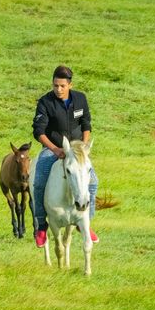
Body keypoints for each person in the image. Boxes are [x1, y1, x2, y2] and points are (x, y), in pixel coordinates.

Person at [32, 65, 99, 248]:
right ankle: (41, 225)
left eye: (62, 86)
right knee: (38, 182)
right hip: (54, 148)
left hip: (77, 150)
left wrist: (84, 147)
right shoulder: (45, 102)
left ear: (70, 84)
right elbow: (38, 131)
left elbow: (86, 124)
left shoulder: (80, 99)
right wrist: (54, 149)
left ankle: (86, 223)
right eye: (55, 85)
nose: (58, 89)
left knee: (93, 182)